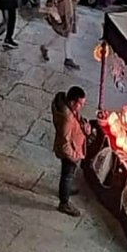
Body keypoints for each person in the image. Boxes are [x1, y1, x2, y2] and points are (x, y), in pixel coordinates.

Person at [51, 86, 89, 216]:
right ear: (72, 102)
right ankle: (64, 203)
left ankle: (66, 190)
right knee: (67, 175)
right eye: (80, 104)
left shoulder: (69, 109)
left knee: (68, 176)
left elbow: (77, 119)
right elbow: (64, 144)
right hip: (70, 153)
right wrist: (73, 156)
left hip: (75, 147)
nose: (81, 107)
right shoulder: (66, 119)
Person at [42, 0, 80, 69]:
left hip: (69, 17)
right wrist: (56, 16)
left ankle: (67, 58)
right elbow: (49, 6)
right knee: (61, 35)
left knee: (66, 36)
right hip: (60, 18)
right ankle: (47, 48)